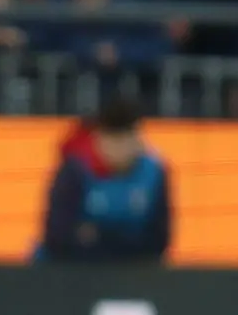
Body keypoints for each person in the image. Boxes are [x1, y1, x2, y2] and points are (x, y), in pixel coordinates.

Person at [35, 95, 172, 263]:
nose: (121, 149)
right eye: (114, 140)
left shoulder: (154, 173)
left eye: (126, 139)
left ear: (139, 140)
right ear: (98, 139)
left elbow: (159, 240)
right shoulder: (76, 171)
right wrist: (127, 236)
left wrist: (96, 234)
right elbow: (57, 236)